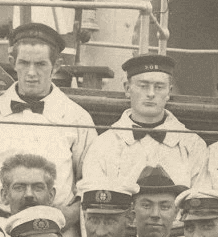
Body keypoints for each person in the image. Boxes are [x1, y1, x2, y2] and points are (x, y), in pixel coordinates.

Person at [0, 22, 96, 237]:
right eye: (24, 63)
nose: (31, 73)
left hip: (55, 230)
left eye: (40, 64)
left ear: (56, 66)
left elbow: (92, 183)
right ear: (12, 62)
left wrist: (70, 214)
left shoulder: (78, 118)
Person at [82, 54, 209, 189]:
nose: (151, 94)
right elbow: (93, 196)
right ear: (127, 89)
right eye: (143, 86)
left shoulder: (193, 145)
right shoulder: (103, 145)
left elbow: (199, 197)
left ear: (169, 92)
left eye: (159, 87)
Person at [0, 153, 80, 237]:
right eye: (19, 187)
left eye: (38, 187)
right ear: (5, 195)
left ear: (51, 195)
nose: (29, 194)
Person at [124, 165, 193, 237]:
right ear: (133, 209)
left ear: (176, 212)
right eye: (146, 205)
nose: (155, 214)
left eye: (164, 207)